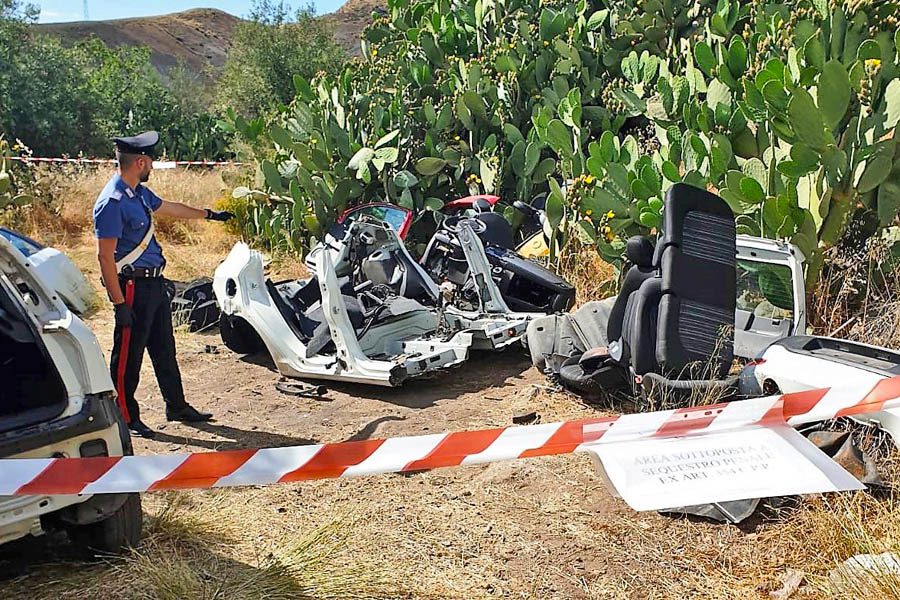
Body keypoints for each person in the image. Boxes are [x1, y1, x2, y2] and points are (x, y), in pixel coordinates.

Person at [93, 131, 234, 439]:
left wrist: (210, 215)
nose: (153, 166)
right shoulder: (113, 202)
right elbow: (104, 258)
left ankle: (177, 406)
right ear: (139, 162)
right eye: (150, 161)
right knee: (128, 357)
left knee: (164, 349)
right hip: (131, 287)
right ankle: (126, 417)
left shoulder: (138, 194)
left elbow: (171, 208)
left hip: (154, 284)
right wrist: (119, 305)